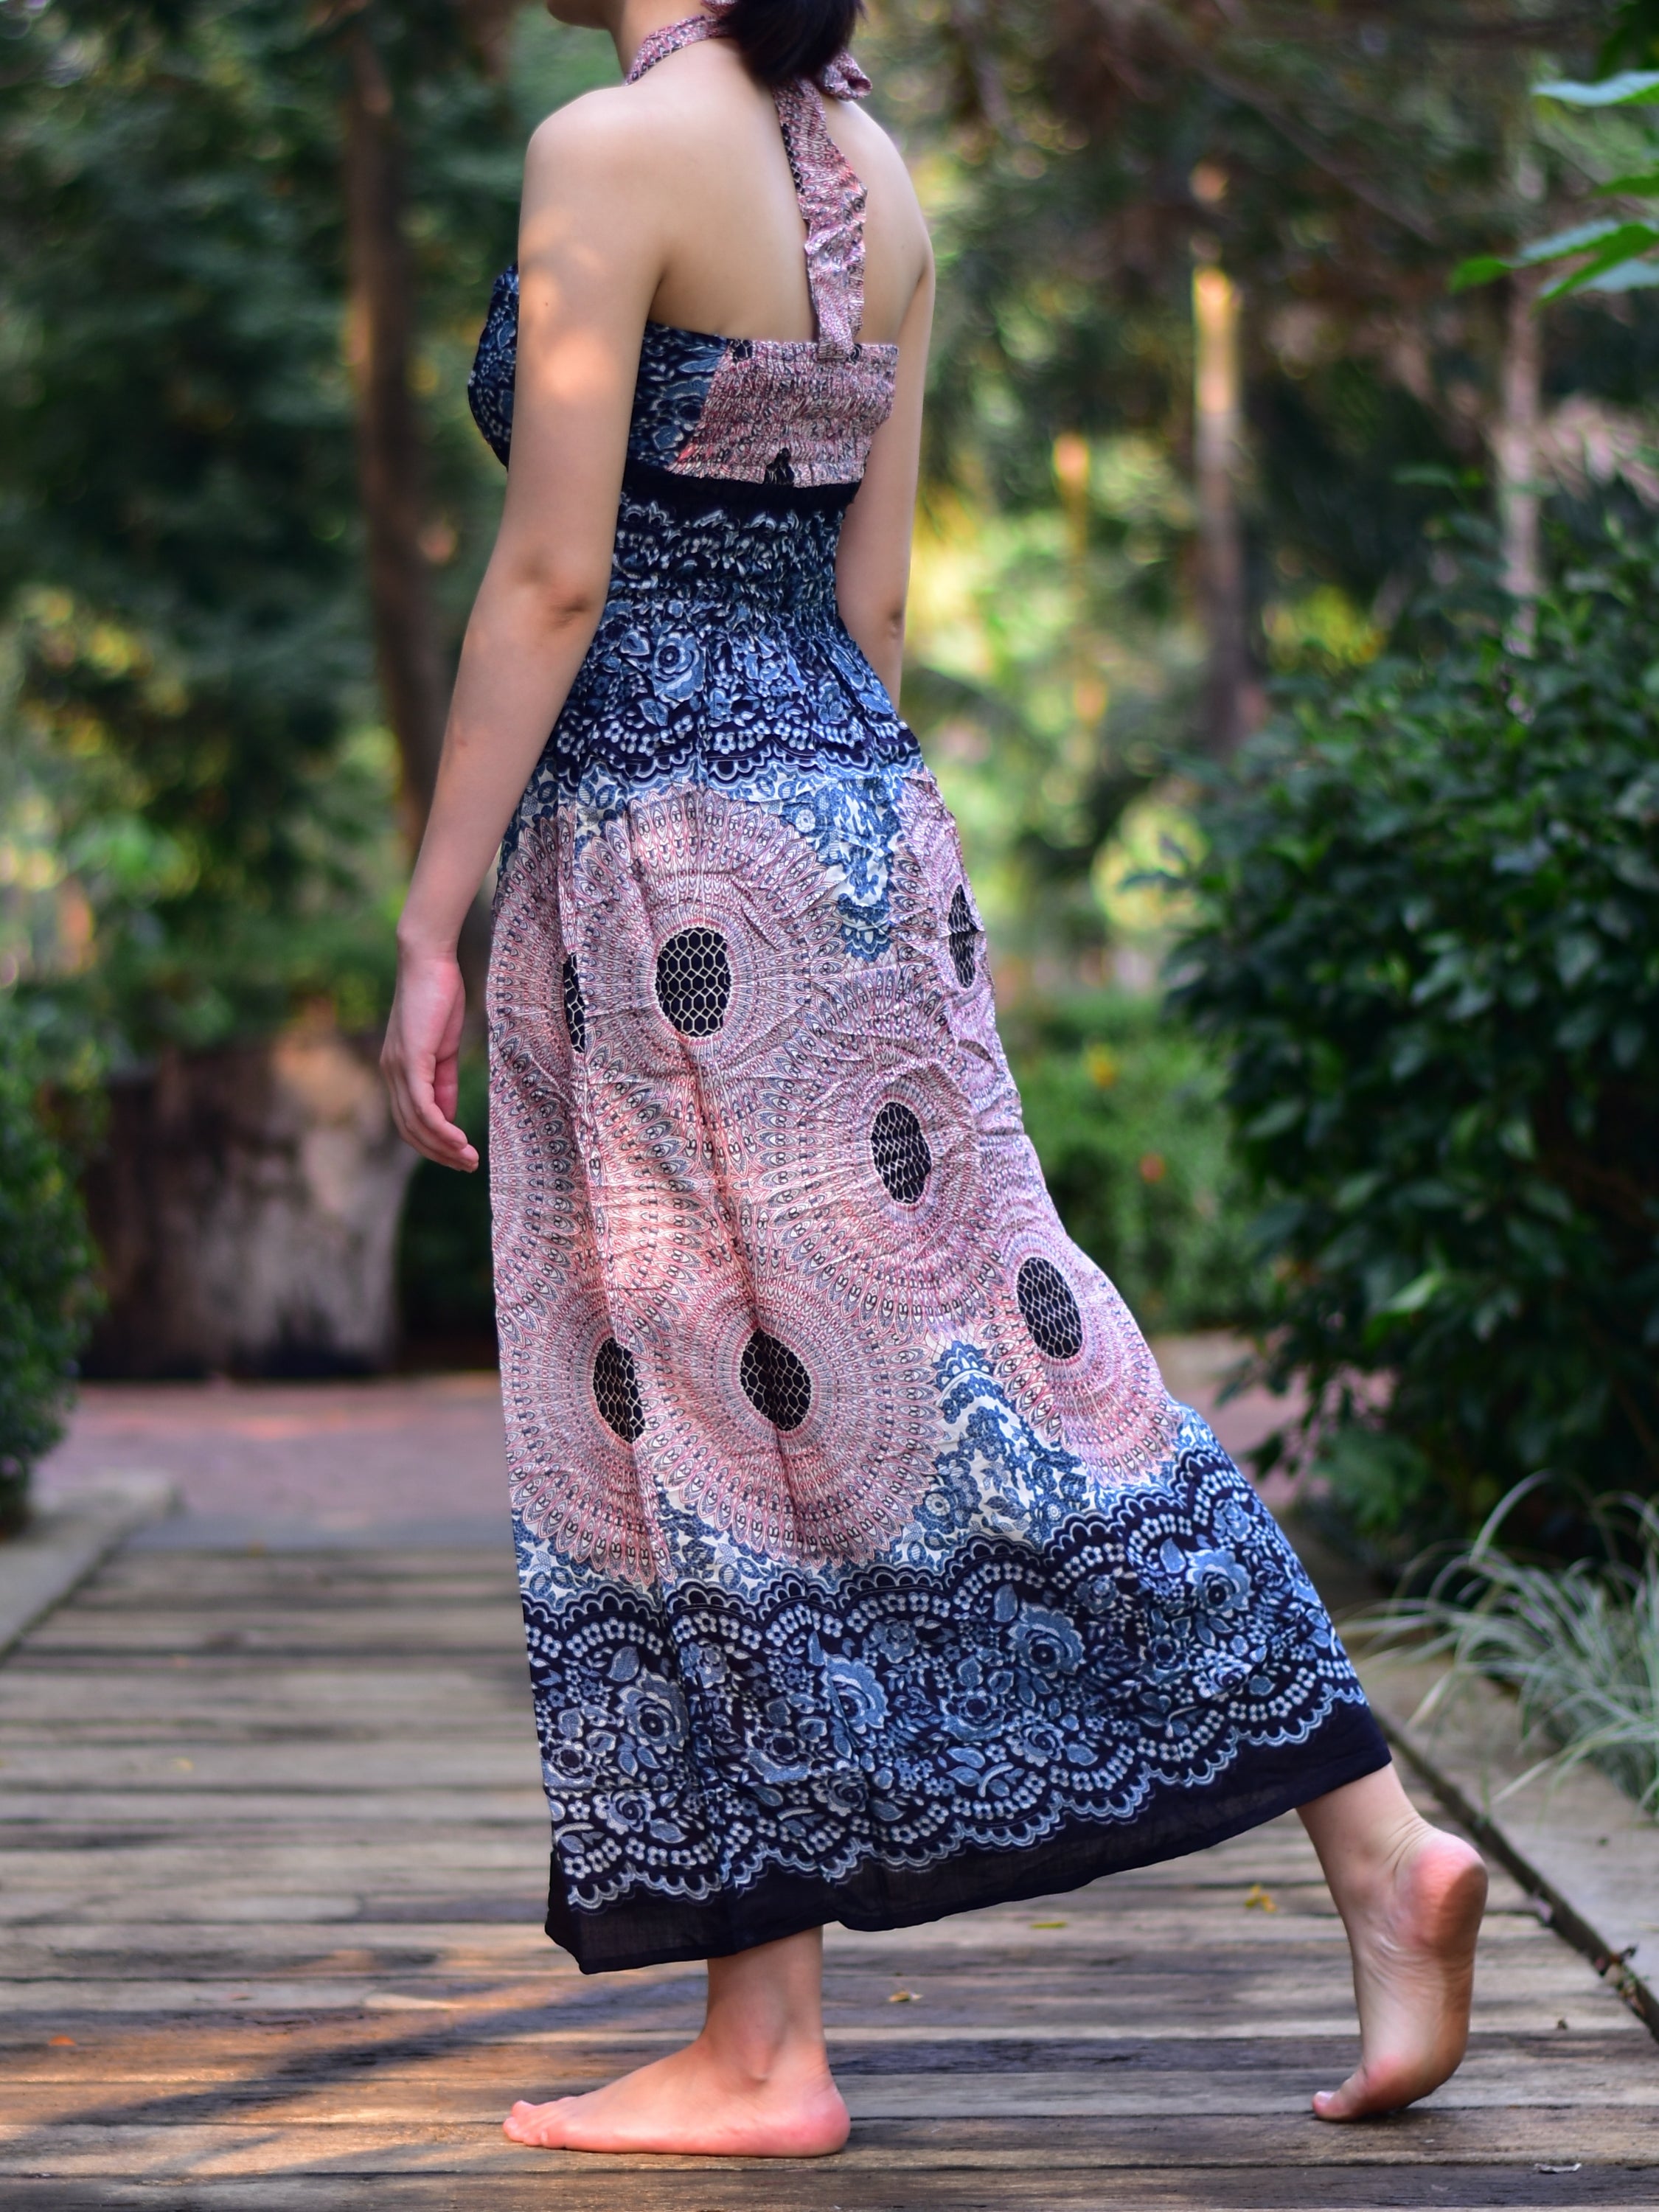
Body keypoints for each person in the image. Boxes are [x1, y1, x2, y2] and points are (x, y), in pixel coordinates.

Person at [378, 0, 1488, 2159]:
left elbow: (555, 571)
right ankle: (1367, 1836)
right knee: (1026, 1353)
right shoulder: (868, 174)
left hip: (664, 848)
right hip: (858, 827)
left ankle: (766, 2050)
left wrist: (432, 917)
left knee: (697, 1405)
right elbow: (867, 600)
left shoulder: (607, 149)